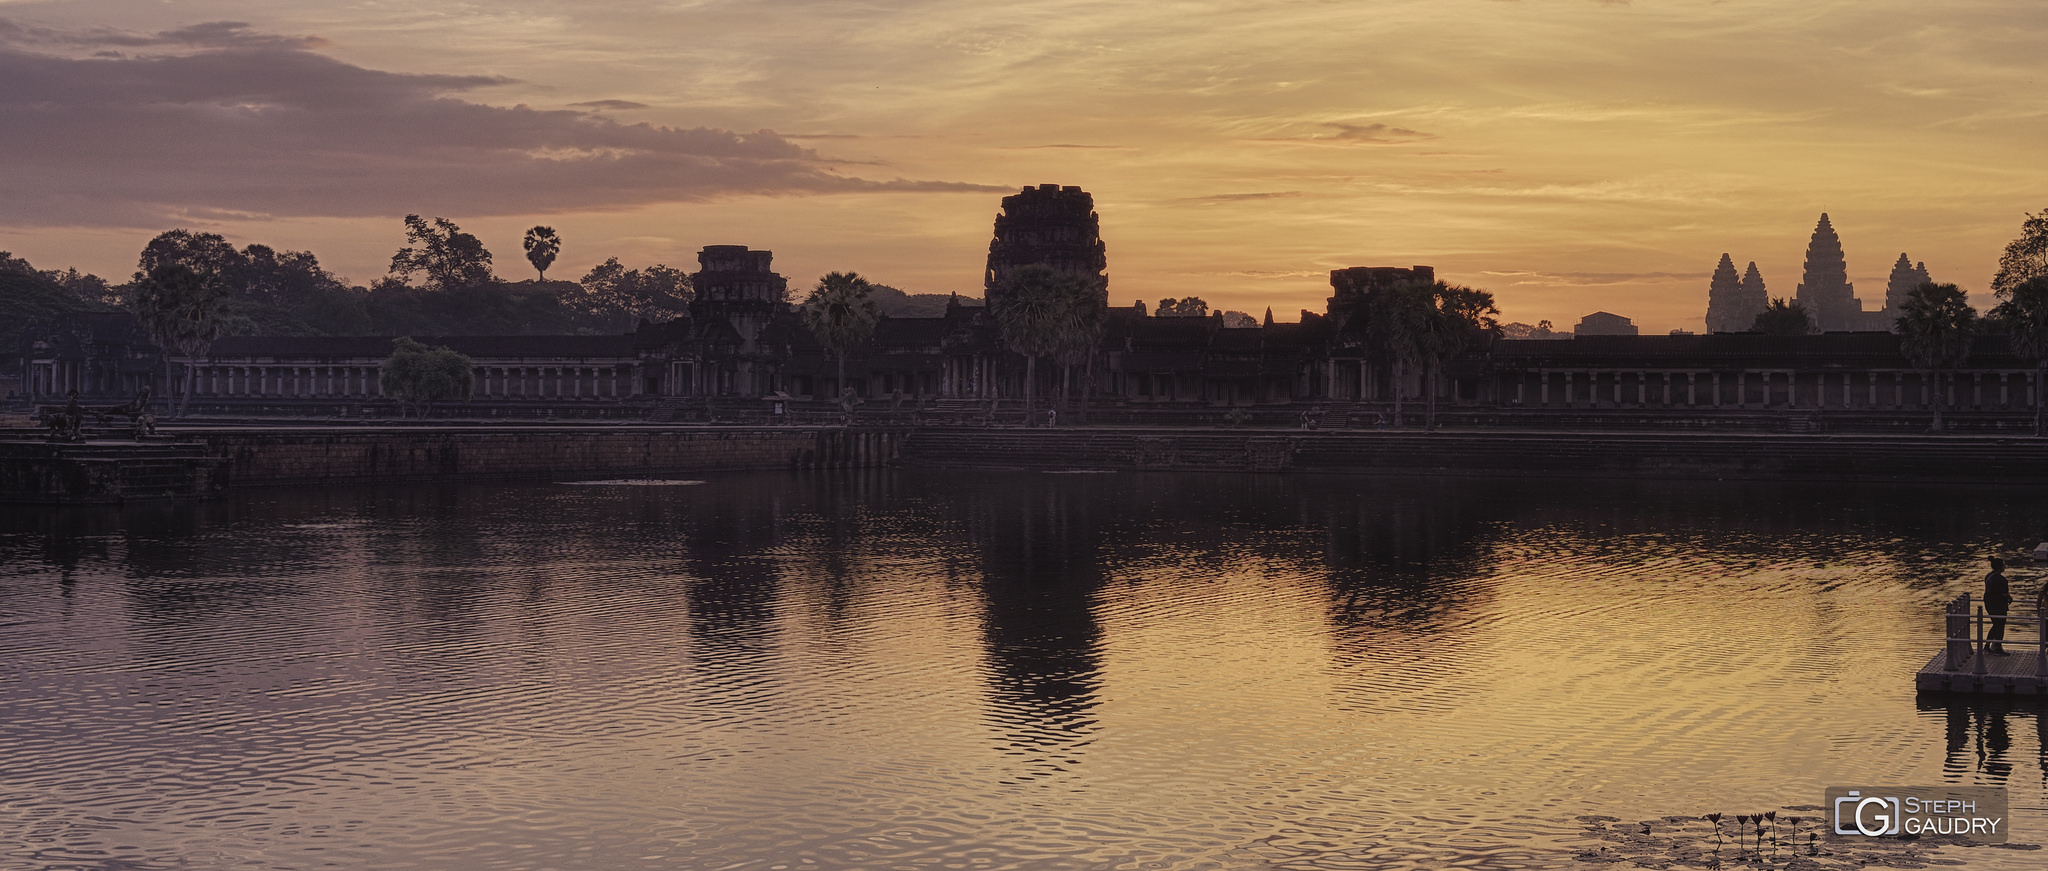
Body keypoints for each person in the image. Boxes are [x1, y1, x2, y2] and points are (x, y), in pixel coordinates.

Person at [1985, 557, 2011, 655]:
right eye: (2003, 565)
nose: (2005, 567)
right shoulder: (2002, 579)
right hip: (1998, 605)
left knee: (1995, 625)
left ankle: (1987, 646)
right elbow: (2005, 594)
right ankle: (1997, 647)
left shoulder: (1988, 576)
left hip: (1989, 603)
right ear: (2000, 567)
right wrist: (2010, 598)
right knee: (2000, 625)